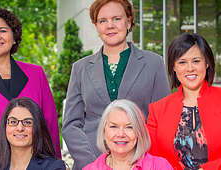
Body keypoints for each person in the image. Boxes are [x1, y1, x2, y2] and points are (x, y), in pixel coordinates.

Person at [61, 0, 170, 169]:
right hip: (91, 162)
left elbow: (163, 121)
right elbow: (71, 125)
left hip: (139, 162)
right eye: (102, 21)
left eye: (116, 19)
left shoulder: (153, 63)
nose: (110, 25)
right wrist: (94, 163)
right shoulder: (80, 68)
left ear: (129, 20)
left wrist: (142, 161)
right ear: (96, 26)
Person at [0, 8, 60, 170]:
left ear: (14, 37)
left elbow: (49, 125)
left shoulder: (35, 74)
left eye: (3, 30)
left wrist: (55, 164)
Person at [147, 33, 221, 170]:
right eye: (182, 62)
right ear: (174, 67)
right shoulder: (157, 110)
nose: (190, 68)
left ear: (207, 63)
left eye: (196, 61)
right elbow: (153, 160)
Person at [82, 99, 173, 170]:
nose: (121, 134)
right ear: (104, 133)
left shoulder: (160, 167)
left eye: (129, 127)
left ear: (139, 133)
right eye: (114, 127)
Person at [0, 97, 66, 170]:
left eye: (27, 122)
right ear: (5, 126)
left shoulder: (53, 167)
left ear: (38, 127)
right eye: (13, 122)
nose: (20, 128)